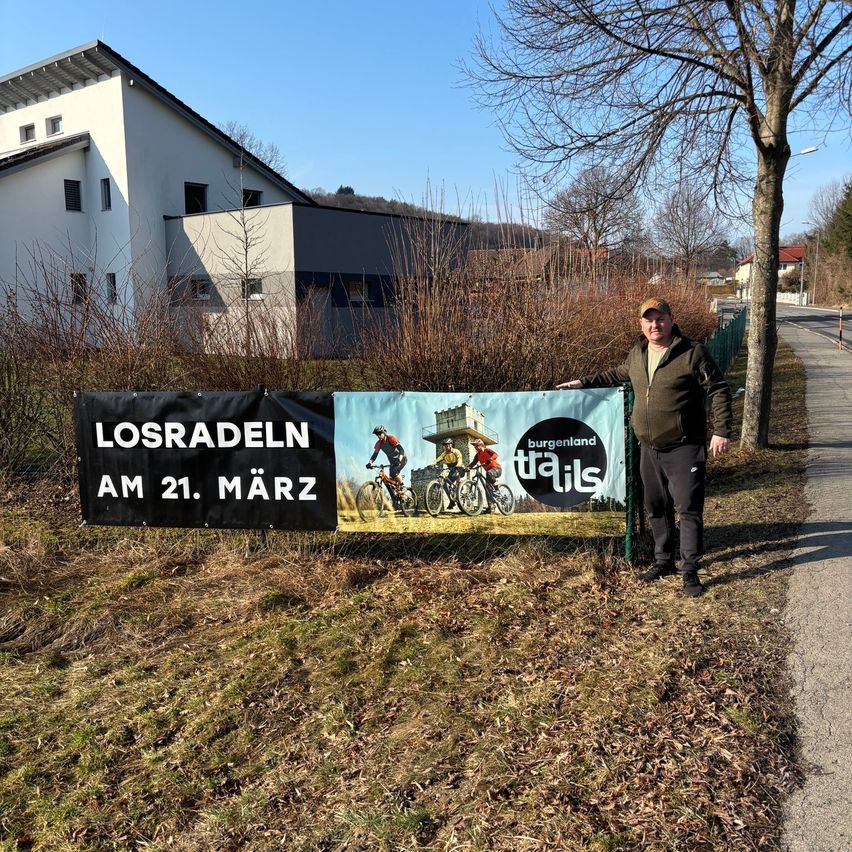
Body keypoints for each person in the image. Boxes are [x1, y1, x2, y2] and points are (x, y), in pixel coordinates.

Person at [557, 297, 732, 597]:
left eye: (660, 318)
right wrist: (581, 383)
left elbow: (718, 389)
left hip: (684, 446)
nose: (655, 325)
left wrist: (721, 431)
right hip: (648, 448)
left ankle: (689, 571)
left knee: (688, 509)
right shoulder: (637, 354)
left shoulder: (692, 353)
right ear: (641, 324)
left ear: (671, 320)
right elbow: (616, 373)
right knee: (655, 506)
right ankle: (663, 560)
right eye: (648, 320)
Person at [468, 438, 502, 512]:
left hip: (497, 469)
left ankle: (496, 485)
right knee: (487, 488)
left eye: (476, 445)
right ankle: (491, 507)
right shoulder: (477, 455)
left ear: (481, 445)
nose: (475, 447)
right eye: (474, 446)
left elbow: (495, 454)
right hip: (489, 473)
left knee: (489, 473)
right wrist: (467, 468)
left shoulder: (487, 450)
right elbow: (473, 463)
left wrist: (490, 459)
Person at [432, 438, 463, 509]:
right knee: (444, 483)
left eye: (447, 445)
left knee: (459, 481)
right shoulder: (444, 454)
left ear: (451, 445)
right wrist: (433, 463)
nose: (445, 447)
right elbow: (438, 459)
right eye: (444, 445)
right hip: (450, 469)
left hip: (458, 468)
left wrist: (458, 465)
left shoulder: (456, 451)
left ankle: (460, 491)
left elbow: (460, 459)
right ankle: (451, 500)